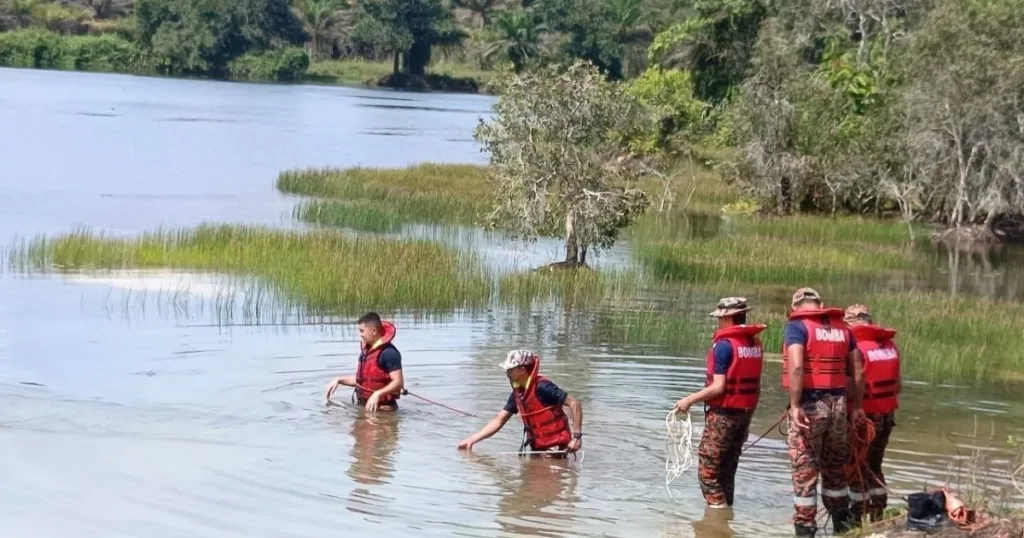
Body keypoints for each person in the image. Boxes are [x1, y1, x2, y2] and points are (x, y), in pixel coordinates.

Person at [783, 288, 865, 537]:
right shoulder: (844, 329)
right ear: (820, 304)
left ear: (796, 307)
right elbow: (858, 370)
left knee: (805, 469)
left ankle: (806, 528)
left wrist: (795, 405)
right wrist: (858, 406)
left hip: (810, 405)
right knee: (835, 467)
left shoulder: (797, 327)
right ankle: (842, 526)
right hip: (839, 405)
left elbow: (797, 366)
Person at [674, 297, 765, 508]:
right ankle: (727, 511)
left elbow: (718, 387)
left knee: (707, 471)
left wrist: (689, 400)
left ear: (727, 319)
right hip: (745, 414)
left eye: (720, 319)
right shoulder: (754, 344)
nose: (718, 323)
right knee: (727, 469)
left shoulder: (724, 345)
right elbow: (756, 385)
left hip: (724, 415)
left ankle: (718, 521)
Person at [457, 350, 583, 456]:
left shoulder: (543, 387)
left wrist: (577, 437)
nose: (507, 373)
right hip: (538, 451)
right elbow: (498, 420)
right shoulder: (518, 394)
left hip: (557, 451)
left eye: (510, 369)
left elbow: (574, 403)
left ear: (522, 370)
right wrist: (471, 440)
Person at [844, 304, 900, 523]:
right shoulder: (890, 346)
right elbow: (898, 387)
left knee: (855, 466)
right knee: (875, 465)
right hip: (887, 415)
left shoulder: (856, 346)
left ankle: (856, 517)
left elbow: (852, 386)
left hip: (864, 418)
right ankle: (877, 514)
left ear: (850, 323)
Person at [324, 312, 404, 412]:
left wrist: (377, 394)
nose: (360, 335)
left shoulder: (389, 353)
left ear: (373, 331)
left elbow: (398, 382)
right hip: (364, 406)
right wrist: (339, 380)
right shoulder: (366, 352)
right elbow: (361, 381)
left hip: (384, 410)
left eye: (362, 331)